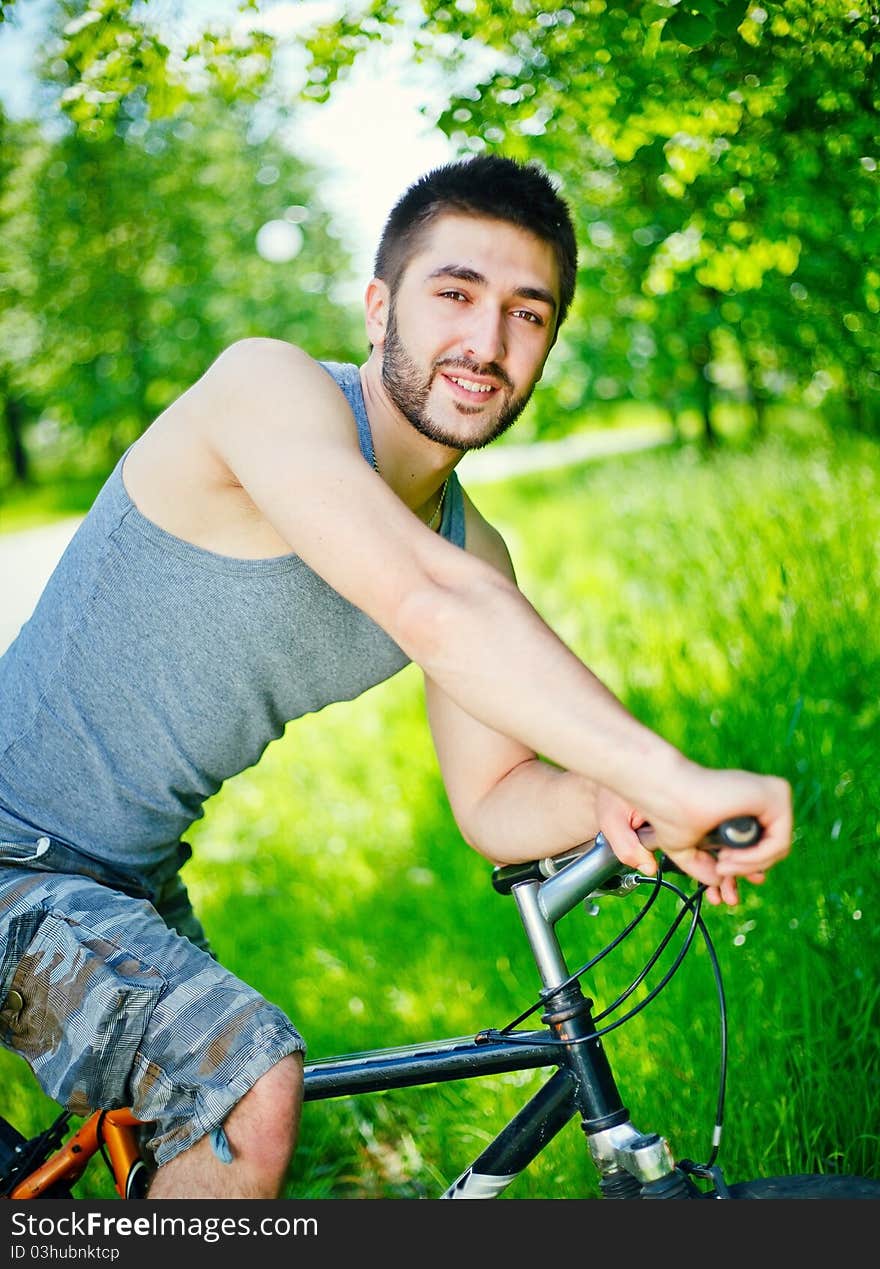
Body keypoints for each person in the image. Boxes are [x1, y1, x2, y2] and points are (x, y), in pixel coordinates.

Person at [0, 154, 791, 1199]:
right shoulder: (265, 388)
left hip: (129, 876)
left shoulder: (474, 547)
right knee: (247, 1094)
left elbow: (497, 800)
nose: (487, 343)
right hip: (12, 856)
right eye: (454, 295)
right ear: (379, 306)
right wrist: (669, 774)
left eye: (528, 314)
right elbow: (426, 599)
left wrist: (613, 798)